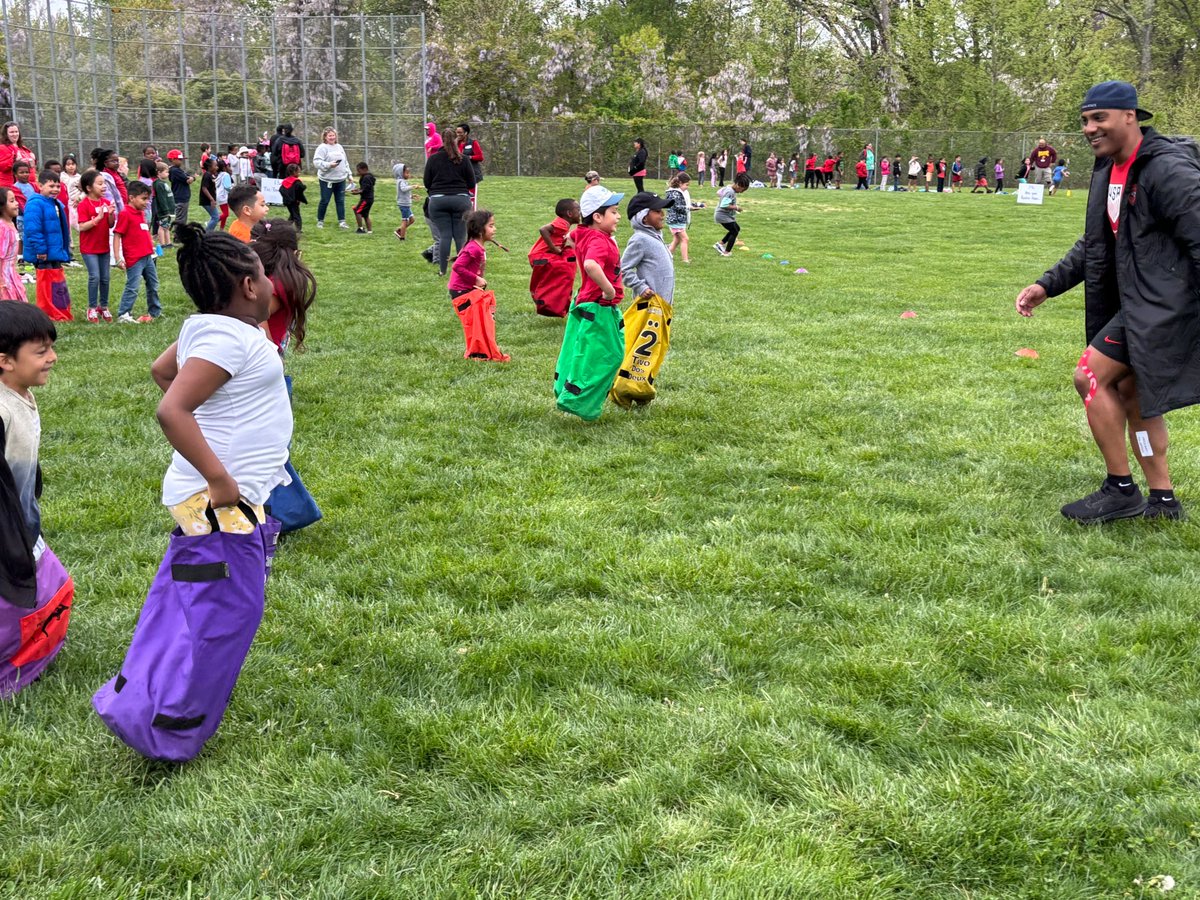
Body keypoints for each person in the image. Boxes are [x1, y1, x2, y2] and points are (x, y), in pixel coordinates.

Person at [1014, 80, 1200, 523]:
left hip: (1167, 305)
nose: (1089, 128)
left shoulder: (1167, 170)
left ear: (1130, 117)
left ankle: (1120, 488)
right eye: (1084, 121)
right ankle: (1163, 500)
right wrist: (1048, 284)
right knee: (1133, 394)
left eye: (1099, 118)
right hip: (1138, 303)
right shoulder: (1107, 169)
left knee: (1089, 377)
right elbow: (1096, 243)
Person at [149, 221, 290, 535]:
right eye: (264, 275)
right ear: (249, 287)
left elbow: (162, 370)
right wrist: (218, 477)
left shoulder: (220, 329)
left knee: (235, 579)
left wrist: (209, 414)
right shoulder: (226, 340)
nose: (271, 284)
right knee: (226, 582)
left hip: (227, 488)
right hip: (216, 494)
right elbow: (171, 410)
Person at [553, 184, 624, 421]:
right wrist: (608, 290)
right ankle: (578, 401)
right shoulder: (600, 241)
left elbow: (570, 236)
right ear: (597, 216)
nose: (618, 216)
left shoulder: (583, 233)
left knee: (582, 349)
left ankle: (566, 388)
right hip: (598, 305)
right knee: (609, 355)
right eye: (614, 211)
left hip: (585, 301)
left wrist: (573, 243)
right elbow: (591, 265)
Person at [251, 220, 316, 358]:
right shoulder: (279, 283)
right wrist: (271, 356)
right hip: (260, 357)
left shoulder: (277, 281)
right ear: (294, 252)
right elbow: (255, 317)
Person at [423, 128, 476, 277]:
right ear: (456, 140)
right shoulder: (463, 159)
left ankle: (442, 270)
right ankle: (461, 270)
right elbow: (471, 182)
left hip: (438, 201)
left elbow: (427, 182)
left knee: (445, 235)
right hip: (460, 200)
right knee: (460, 237)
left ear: (441, 141)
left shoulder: (433, 159)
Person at [22, 170, 73, 321]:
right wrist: (41, 249)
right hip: (43, 253)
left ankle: (59, 310)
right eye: (51, 186)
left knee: (57, 283)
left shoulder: (54, 203)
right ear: (40, 185)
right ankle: (47, 312)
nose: (55, 189)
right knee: (46, 284)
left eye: (58, 186)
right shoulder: (35, 203)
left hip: (54, 251)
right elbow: (33, 229)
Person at [113, 181, 161, 323]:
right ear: (132, 198)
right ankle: (124, 313)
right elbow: (117, 235)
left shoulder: (141, 213)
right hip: (134, 259)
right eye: (144, 199)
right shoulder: (125, 214)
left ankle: (155, 311)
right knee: (133, 287)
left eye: (148, 199)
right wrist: (118, 258)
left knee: (153, 284)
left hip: (148, 256)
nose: (147, 202)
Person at [528, 197, 580, 317]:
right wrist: (553, 248)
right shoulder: (562, 223)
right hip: (541, 256)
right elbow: (543, 229)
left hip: (542, 256)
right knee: (562, 271)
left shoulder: (564, 225)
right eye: (578, 209)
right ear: (569, 213)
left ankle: (551, 302)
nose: (580, 212)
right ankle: (546, 300)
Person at [75, 169, 116, 321]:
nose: (103, 186)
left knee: (105, 278)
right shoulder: (84, 205)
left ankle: (103, 307)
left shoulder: (106, 202)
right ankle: (91, 308)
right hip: (89, 248)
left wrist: (110, 214)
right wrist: (97, 219)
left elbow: (110, 225)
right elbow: (82, 227)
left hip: (103, 247)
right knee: (95, 277)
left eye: (104, 183)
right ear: (89, 188)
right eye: (99, 184)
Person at [313, 127, 350, 229]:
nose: (332, 137)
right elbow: (316, 162)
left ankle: (342, 222)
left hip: (341, 179)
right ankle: (320, 221)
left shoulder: (339, 147)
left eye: (333, 135)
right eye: (330, 135)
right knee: (325, 200)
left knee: (340, 201)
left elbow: (345, 162)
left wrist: (349, 175)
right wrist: (329, 164)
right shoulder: (322, 148)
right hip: (327, 180)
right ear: (325, 137)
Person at [713, 172, 749, 257]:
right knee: (734, 231)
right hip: (722, 215)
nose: (742, 192)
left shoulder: (729, 188)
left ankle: (720, 244)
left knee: (736, 228)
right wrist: (736, 207)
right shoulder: (730, 192)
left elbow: (718, 192)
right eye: (742, 189)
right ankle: (726, 252)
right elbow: (724, 205)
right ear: (737, 185)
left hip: (724, 215)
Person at [0, 187, 24, 300]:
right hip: (4, 275)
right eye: (12, 201)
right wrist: (1, 282)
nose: (17, 203)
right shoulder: (2, 228)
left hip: (11, 272)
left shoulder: (10, 224)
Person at [664, 172, 691, 264]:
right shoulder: (675, 193)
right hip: (676, 220)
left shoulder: (676, 192)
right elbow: (678, 207)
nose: (687, 187)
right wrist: (690, 208)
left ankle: (667, 256)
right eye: (686, 185)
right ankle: (685, 260)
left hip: (677, 220)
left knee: (677, 239)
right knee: (685, 239)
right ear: (680, 183)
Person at [0, 122, 35, 191]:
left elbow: (30, 165)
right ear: (6, 134)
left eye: (16, 131)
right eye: (11, 132)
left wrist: (33, 160)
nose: (15, 134)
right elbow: (2, 166)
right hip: (10, 187)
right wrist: (14, 160)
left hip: (27, 186)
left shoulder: (23, 148)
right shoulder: (3, 148)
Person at [456, 123, 485, 205]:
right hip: (459, 174)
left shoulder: (473, 143)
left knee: (471, 198)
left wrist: (469, 157)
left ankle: (472, 215)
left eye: (460, 132)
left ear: (466, 133)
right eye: (457, 132)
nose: (458, 134)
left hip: (472, 174)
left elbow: (480, 157)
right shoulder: (455, 143)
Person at [152, 161, 177, 248]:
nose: (168, 174)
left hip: (170, 209)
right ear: (159, 173)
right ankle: (162, 244)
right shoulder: (158, 184)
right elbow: (161, 199)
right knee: (162, 227)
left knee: (167, 226)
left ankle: (168, 243)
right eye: (166, 172)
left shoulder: (163, 183)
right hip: (163, 211)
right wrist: (165, 210)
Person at [349, 161, 376, 234]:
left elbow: (365, 189)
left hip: (366, 199)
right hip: (369, 198)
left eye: (359, 170)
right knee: (365, 214)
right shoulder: (368, 177)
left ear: (365, 169)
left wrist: (357, 192)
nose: (358, 172)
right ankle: (370, 231)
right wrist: (357, 189)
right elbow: (363, 188)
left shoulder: (366, 178)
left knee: (357, 211)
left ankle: (360, 229)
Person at [279, 164, 307, 231]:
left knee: (292, 214)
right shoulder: (296, 182)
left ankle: (286, 227)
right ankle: (298, 229)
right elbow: (300, 189)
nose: (299, 173)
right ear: (294, 172)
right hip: (294, 201)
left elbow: (281, 190)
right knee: (296, 215)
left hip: (287, 201)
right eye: (298, 172)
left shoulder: (285, 181)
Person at [392, 162, 415, 240]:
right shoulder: (401, 181)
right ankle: (402, 237)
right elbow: (403, 189)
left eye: (409, 173)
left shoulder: (403, 181)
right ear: (401, 173)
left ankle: (399, 230)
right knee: (405, 220)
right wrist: (412, 186)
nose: (408, 175)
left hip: (406, 204)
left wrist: (411, 196)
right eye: (407, 173)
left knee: (412, 220)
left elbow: (404, 193)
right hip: (404, 204)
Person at [198, 157, 219, 232]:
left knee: (214, 217)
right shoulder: (207, 175)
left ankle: (209, 231)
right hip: (207, 201)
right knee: (215, 217)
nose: (217, 167)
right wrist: (212, 199)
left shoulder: (210, 175)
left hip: (210, 200)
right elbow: (204, 188)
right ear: (210, 167)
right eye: (215, 166)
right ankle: (206, 234)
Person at [215, 159, 233, 230]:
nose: (229, 166)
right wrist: (233, 190)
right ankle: (212, 222)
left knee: (224, 213)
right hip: (223, 196)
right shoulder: (226, 174)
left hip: (219, 196)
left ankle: (221, 229)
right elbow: (227, 186)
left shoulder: (219, 175)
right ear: (224, 167)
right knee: (226, 214)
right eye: (227, 165)